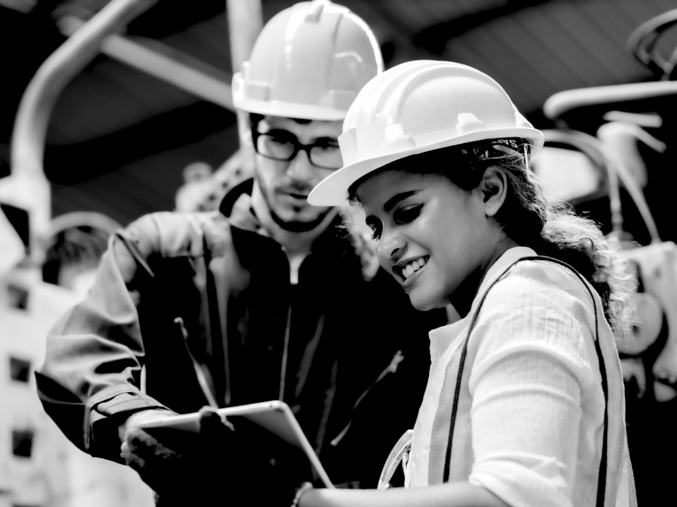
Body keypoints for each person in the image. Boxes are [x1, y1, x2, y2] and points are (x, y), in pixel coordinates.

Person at [35, 4, 446, 506]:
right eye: (279, 139)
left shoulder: (397, 286)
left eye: (325, 146)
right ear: (250, 127)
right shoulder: (160, 251)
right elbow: (76, 358)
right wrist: (133, 419)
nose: (298, 172)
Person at [301, 60, 637, 507]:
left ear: (489, 191)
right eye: (376, 227)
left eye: (407, 213)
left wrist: (308, 502)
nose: (387, 248)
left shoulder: (526, 300)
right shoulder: (488, 316)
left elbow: (514, 498)